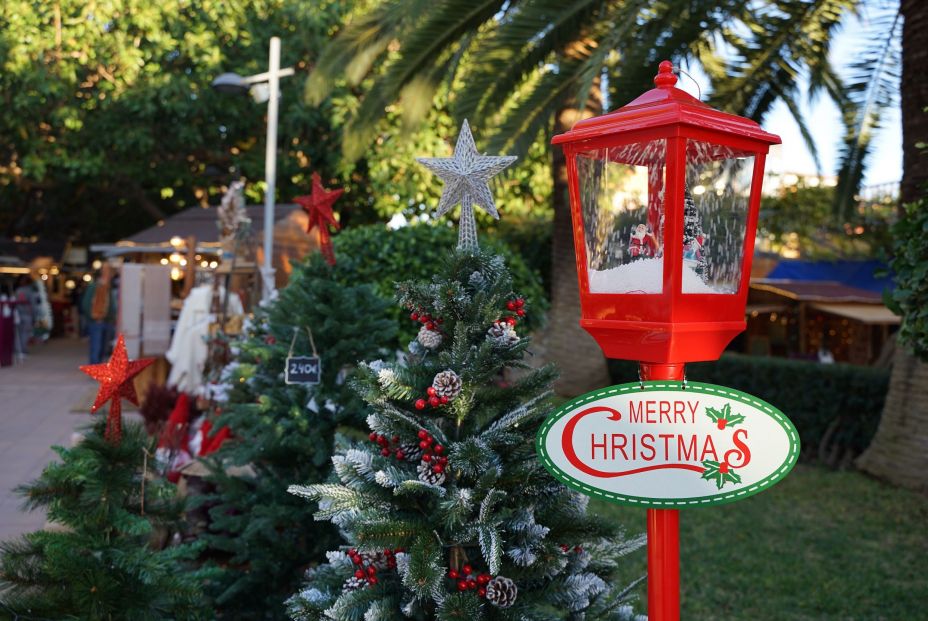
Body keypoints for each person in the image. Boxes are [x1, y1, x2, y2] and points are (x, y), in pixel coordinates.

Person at [81, 264, 117, 364]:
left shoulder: (109, 287)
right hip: (97, 321)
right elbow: (86, 303)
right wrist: (93, 316)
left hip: (107, 321)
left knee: (103, 346)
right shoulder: (95, 286)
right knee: (96, 346)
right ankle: (95, 366)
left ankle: (98, 365)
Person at [13, 275, 36, 356]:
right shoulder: (30, 291)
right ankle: (23, 349)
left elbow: (14, 302)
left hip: (19, 314)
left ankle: (18, 349)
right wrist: (34, 316)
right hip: (27, 314)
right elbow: (33, 304)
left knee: (18, 333)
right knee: (25, 333)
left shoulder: (18, 290)